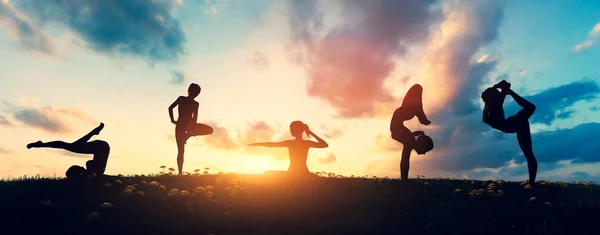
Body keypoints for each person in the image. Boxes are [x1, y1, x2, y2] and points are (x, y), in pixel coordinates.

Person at [482, 80, 538, 186]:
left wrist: (500, 88)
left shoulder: (490, 109)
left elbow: (504, 88)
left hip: (514, 123)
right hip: (513, 124)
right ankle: (532, 182)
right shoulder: (494, 106)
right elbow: (505, 88)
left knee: (529, 154)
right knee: (529, 154)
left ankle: (532, 182)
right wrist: (502, 88)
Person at [26, 123, 110, 181]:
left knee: (72, 146)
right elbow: (106, 177)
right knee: (72, 146)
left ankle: (93, 132)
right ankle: (93, 132)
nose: (82, 167)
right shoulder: (94, 174)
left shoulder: (93, 173)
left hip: (100, 147)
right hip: (101, 147)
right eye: (80, 168)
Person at [247, 121, 328, 177]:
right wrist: (310, 133)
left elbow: (272, 145)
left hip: (294, 174)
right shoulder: (306, 143)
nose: (290, 131)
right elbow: (272, 145)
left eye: (291, 129)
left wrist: (257, 144)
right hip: (301, 173)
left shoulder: (292, 143)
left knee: (267, 174)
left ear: (296, 130)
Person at [390, 84, 434, 180]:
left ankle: (404, 177)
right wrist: (424, 121)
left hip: (399, 129)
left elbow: (420, 117)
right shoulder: (411, 109)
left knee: (408, 144)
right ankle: (404, 177)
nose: (423, 153)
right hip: (397, 129)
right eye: (424, 150)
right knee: (407, 150)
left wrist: (421, 131)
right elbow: (405, 159)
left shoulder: (410, 139)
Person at [168, 83, 214, 175]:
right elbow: (170, 108)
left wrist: (192, 130)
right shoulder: (181, 98)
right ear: (190, 90)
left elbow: (195, 117)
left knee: (210, 130)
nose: (196, 94)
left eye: (198, 93)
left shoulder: (196, 104)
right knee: (181, 151)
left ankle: (187, 135)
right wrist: (172, 120)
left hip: (189, 125)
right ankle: (180, 173)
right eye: (196, 92)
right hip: (181, 126)